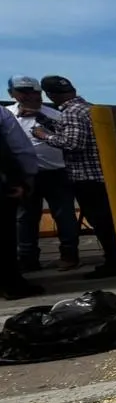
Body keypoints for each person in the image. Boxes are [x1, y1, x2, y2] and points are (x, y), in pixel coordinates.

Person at [31, 76, 116, 279]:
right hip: (101, 175)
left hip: (86, 177)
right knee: (108, 221)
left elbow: (73, 143)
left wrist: (43, 136)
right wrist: (45, 121)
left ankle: (115, 262)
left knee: (101, 223)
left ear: (50, 95)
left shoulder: (70, 112)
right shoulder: (87, 108)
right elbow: (76, 133)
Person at [6, 75, 79, 271]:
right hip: (24, 175)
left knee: (64, 215)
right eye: (24, 91)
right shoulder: (7, 115)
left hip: (55, 172)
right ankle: (28, 259)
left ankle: (69, 255)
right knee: (25, 218)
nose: (31, 96)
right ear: (12, 94)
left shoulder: (55, 114)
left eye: (35, 91)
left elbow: (69, 140)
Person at [0, 106, 41, 299]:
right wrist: (22, 179)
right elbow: (19, 148)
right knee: (4, 237)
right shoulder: (2, 114)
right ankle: (11, 284)